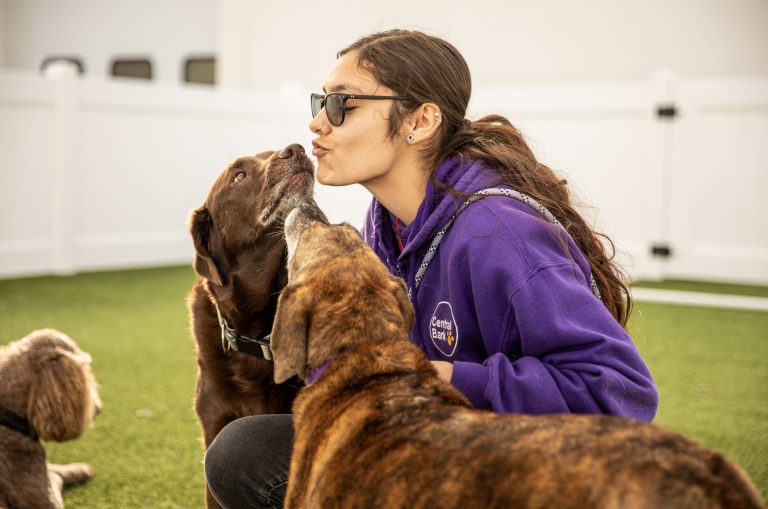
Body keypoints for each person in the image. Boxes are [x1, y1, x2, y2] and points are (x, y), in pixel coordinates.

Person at [205, 29, 658, 508]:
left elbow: (620, 392)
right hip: (451, 447)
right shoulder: (386, 224)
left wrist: (436, 376)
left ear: (419, 121)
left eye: (342, 104)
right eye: (320, 102)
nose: (318, 122)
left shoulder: (499, 232)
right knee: (245, 450)